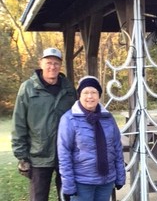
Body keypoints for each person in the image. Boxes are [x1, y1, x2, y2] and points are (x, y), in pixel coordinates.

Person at [11, 47, 77, 201]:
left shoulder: (69, 89)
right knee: (38, 197)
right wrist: (22, 156)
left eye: (56, 63)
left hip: (65, 154)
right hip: (38, 155)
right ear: (41, 63)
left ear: (60, 66)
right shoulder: (27, 88)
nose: (52, 67)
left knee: (68, 196)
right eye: (48, 62)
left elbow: (77, 120)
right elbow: (18, 123)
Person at [57, 75, 126, 201]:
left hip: (106, 181)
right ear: (79, 95)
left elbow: (117, 148)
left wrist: (120, 176)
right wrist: (68, 185)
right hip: (82, 183)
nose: (90, 96)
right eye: (86, 92)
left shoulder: (108, 118)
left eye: (94, 92)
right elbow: (64, 154)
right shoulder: (69, 119)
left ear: (99, 95)